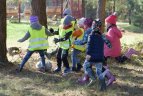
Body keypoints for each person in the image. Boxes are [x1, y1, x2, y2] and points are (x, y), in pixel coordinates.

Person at [83, 19, 106, 91]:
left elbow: (89, 45)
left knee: (85, 65)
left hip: (92, 56)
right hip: (100, 57)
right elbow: (103, 46)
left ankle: (93, 78)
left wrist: (88, 54)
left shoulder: (91, 35)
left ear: (94, 26)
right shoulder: (102, 36)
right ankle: (103, 86)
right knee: (99, 71)